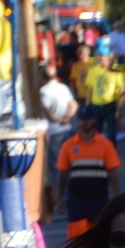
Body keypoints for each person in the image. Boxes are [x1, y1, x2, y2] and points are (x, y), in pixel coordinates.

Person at [57, 108, 122, 239]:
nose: (84, 123)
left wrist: (116, 196)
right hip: (76, 198)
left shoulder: (106, 145)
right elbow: (62, 174)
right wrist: (59, 198)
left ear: (94, 120)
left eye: (87, 120)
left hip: (98, 198)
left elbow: (112, 173)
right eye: (81, 120)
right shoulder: (68, 145)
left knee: (98, 236)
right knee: (77, 235)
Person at [41, 63, 79, 223]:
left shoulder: (43, 91)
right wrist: (67, 118)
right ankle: (73, 197)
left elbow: (48, 113)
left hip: (54, 132)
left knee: (58, 168)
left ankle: (61, 200)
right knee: (71, 165)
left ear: (42, 77)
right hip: (67, 130)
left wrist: (58, 120)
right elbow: (73, 104)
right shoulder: (62, 87)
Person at [86, 50, 123, 145]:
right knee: (96, 131)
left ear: (108, 57)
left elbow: (121, 89)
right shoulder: (93, 70)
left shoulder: (115, 70)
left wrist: (119, 107)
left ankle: (112, 153)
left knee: (111, 132)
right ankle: (96, 153)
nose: (100, 58)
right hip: (96, 105)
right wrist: (87, 106)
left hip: (110, 104)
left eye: (102, 55)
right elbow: (90, 89)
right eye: (98, 55)